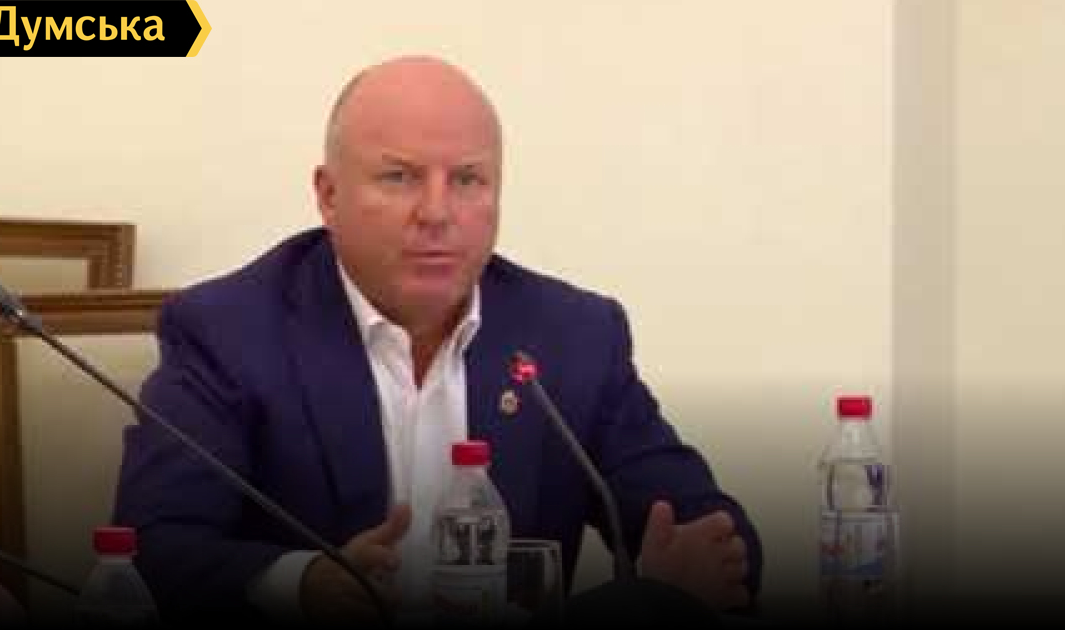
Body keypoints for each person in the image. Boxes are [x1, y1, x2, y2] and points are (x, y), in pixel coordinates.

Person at [113, 55, 762, 623]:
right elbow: (154, 546)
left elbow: (714, 530)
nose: (436, 212)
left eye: (468, 180)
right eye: (399, 177)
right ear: (328, 195)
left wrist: (691, 573)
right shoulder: (226, 330)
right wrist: (305, 585)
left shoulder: (573, 335)